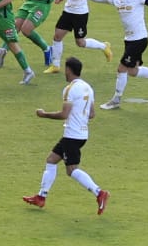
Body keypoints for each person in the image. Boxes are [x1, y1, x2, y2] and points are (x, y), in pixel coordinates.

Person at [23, 56, 108, 214]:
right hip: (81, 134)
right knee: (51, 160)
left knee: (71, 170)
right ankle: (41, 197)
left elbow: (63, 114)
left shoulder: (70, 89)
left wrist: (44, 114)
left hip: (72, 135)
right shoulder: (88, 88)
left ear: (69, 70)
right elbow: (91, 114)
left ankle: (99, 193)